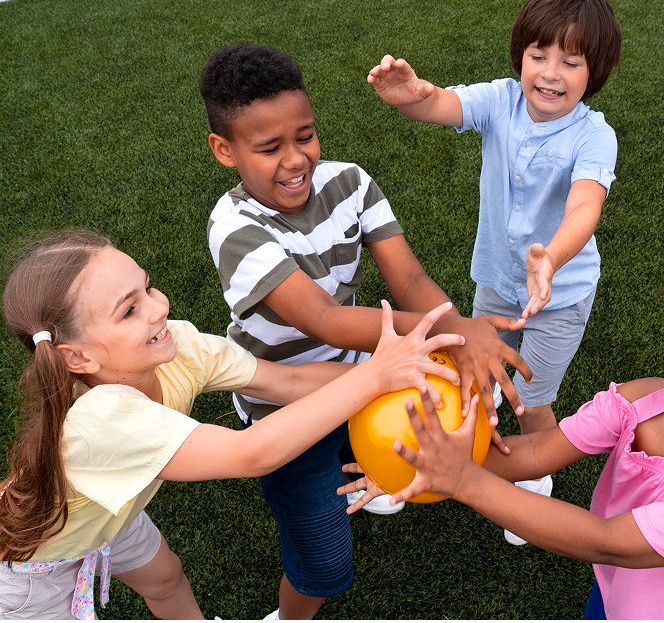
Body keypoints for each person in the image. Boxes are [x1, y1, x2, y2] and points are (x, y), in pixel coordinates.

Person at [199, 43, 532, 619]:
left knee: (401, 451)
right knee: (325, 569)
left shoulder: (350, 182)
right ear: (224, 151)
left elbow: (409, 277)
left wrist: (454, 334)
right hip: (284, 407)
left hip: (369, 377)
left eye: (304, 136)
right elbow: (323, 320)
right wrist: (452, 330)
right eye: (269, 147)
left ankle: (367, 461)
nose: (296, 159)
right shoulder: (233, 228)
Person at [0, 229, 463, 620]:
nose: (158, 307)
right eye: (130, 310)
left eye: (148, 288)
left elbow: (290, 381)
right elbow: (252, 453)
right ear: (77, 357)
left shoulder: (178, 346)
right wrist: (375, 373)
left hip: (108, 518)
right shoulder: (100, 421)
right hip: (28, 576)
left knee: (165, 577)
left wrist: (403, 376)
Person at [367, 0, 622, 542]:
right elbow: (441, 103)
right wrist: (410, 93)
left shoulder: (595, 136)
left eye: (570, 61)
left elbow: (585, 204)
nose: (550, 73)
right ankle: (447, 458)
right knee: (474, 375)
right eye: (538, 56)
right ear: (520, 58)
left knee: (532, 400)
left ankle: (533, 481)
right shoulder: (502, 100)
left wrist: (550, 257)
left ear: (594, 70)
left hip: (561, 294)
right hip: (497, 284)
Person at [366, 280, 664, 620]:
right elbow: (540, 452)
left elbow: (605, 540)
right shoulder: (645, 399)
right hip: (615, 586)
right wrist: (417, 463)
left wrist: (464, 480)